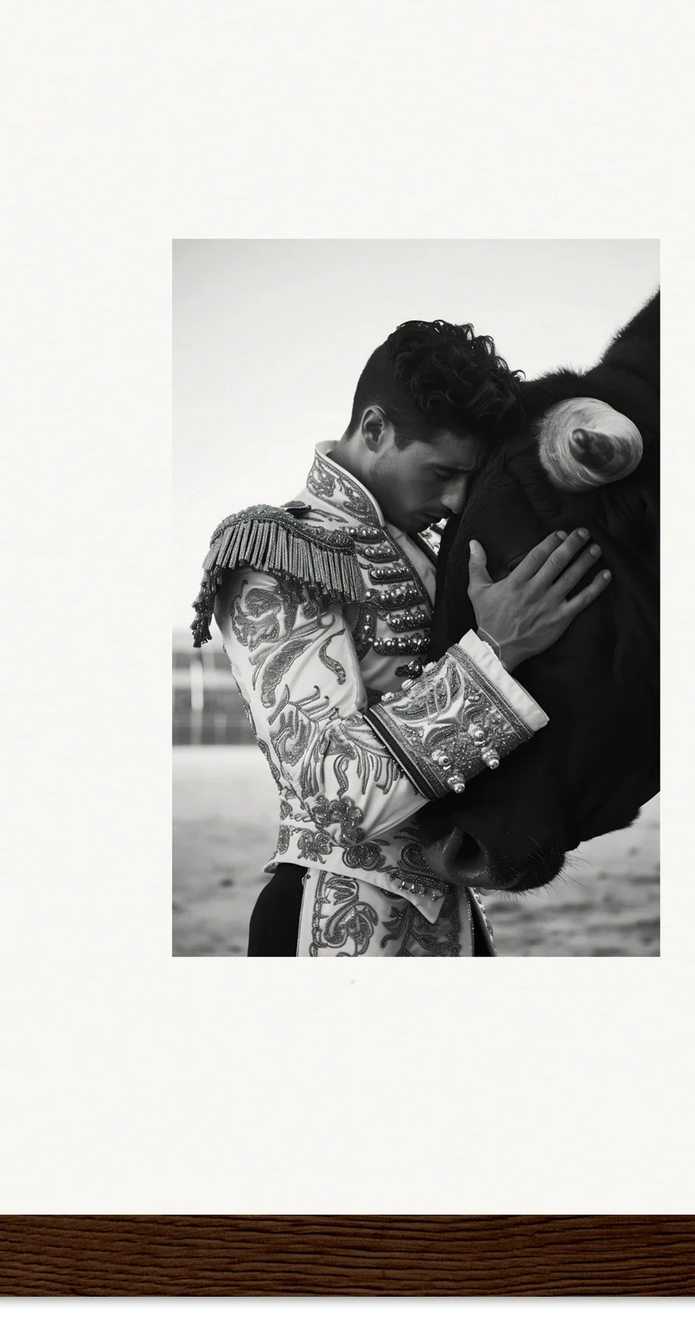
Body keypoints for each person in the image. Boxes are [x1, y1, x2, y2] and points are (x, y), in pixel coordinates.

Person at [190, 320, 611, 956]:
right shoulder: (278, 549)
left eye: (470, 478)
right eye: (441, 470)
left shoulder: (430, 550)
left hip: (456, 922)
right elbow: (334, 795)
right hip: (331, 922)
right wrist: (495, 653)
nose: (455, 497)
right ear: (375, 429)